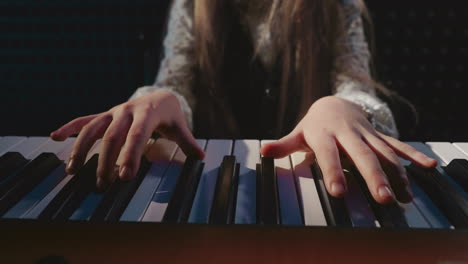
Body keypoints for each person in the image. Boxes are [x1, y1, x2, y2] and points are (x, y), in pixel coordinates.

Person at [50, 0, 437, 205]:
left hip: (315, 182)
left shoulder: (337, 5)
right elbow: (176, 86)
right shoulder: (192, 5)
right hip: (209, 188)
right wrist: (158, 100)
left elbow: (356, 88)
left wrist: (345, 108)